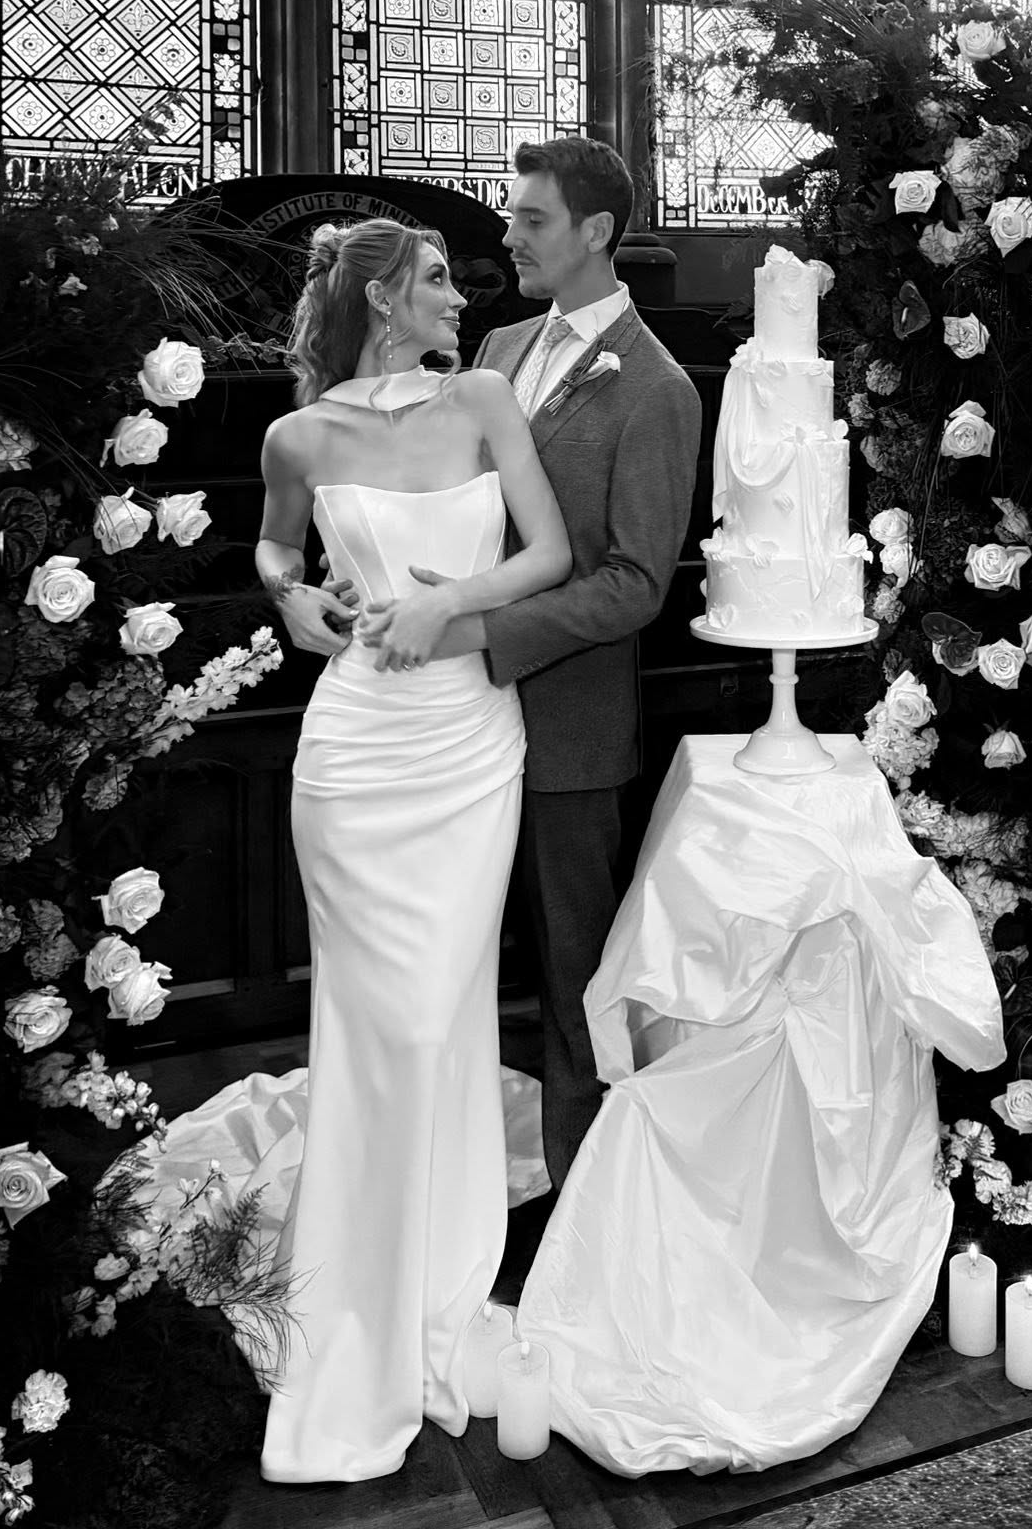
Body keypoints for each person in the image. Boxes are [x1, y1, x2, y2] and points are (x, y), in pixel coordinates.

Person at [253, 217, 571, 1483]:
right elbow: (277, 544)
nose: (459, 294)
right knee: (375, 1026)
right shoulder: (297, 435)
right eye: (438, 279)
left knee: (441, 1015)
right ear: (384, 297)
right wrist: (293, 595)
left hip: (467, 745)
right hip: (352, 758)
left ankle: (439, 1278)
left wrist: (450, 599)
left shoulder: (484, 397)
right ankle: (353, 1301)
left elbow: (549, 552)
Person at [356, 139, 702, 1203]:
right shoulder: (498, 347)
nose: (507, 237)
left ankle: (589, 1209)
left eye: (532, 219)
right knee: (447, 961)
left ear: (597, 232)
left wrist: (481, 633)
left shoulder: (658, 388)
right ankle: (441, 1190)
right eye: (510, 216)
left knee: (571, 983)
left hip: (567, 729)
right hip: (447, 722)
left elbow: (635, 583)